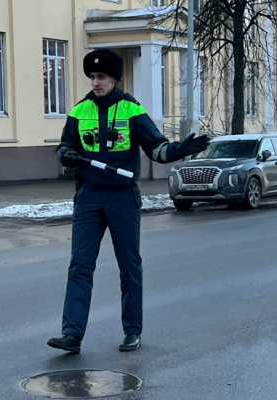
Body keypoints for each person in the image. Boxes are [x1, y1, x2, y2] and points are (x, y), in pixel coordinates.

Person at [47, 49, 210, 354]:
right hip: (89, 198)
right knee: (80, 266)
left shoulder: (131, 110)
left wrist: (180, 149)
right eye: (93, 77)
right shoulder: (79, 111)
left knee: (129, 267)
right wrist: (65, 155)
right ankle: (72, 334)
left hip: (122, 197)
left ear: (114, 79)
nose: (96, 82)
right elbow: (65, 146)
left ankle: (132, 330)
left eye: (102, 77)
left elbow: (156, 149)